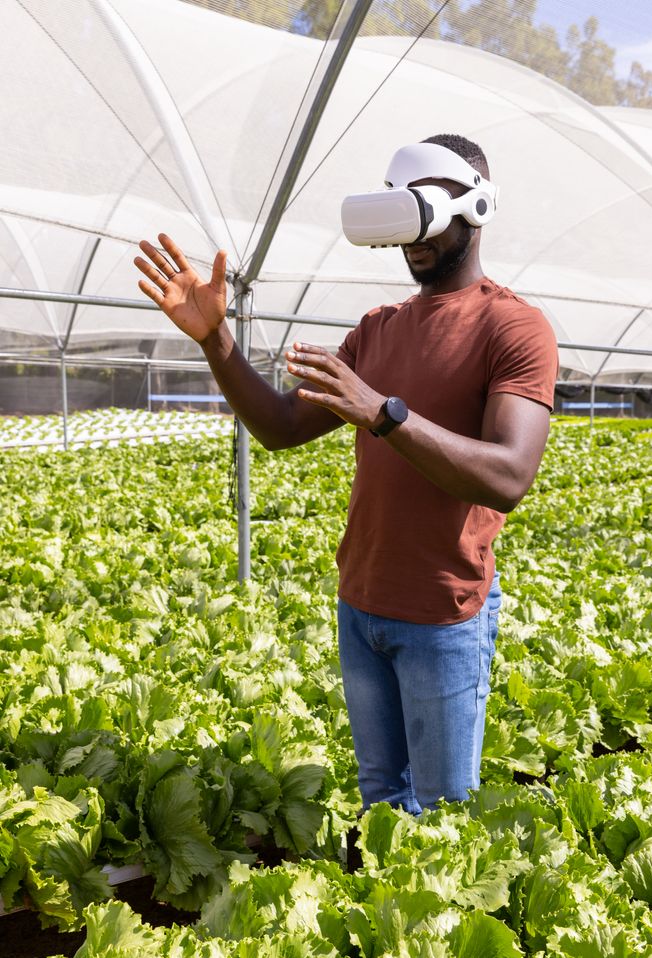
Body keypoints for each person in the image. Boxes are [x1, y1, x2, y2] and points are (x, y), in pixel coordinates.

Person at [135, 133, 558, 816]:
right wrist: (216, 340)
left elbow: (509, 475)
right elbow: (279, 427)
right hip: (361, 605)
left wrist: (383, 414)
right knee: (380, 801)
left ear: (476, 204)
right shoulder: (378, 328)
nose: (410, 238)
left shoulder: (514, 328)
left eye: (424, 211)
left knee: (444, 817)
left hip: (444, 614)